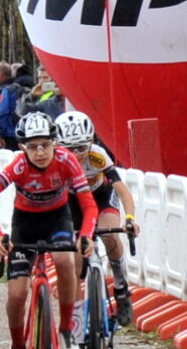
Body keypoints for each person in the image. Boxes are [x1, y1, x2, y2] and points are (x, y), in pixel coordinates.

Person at [0, 112, 97, 349]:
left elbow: (88, 204)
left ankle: (66, 330)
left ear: (55, 142)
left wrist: (85, 235)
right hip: (25, 224)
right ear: (22, 148)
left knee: (65, 260)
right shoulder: (19, 167)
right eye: (32, 146)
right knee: (17, 294)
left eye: (45, 145)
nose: (40, 152)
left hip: (57, 219)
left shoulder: (67, 161)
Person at [54, 110, 139, 329]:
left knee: (110, 235)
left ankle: (121, 288)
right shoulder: (55, 160)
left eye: (82, 147)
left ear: (91, 142)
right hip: (74, 204)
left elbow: (122, 190)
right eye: (69, 149)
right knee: (76, 258)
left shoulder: (98, 155)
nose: (77, 154)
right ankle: (78, 316)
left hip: (102, 198)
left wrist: (129, 218)